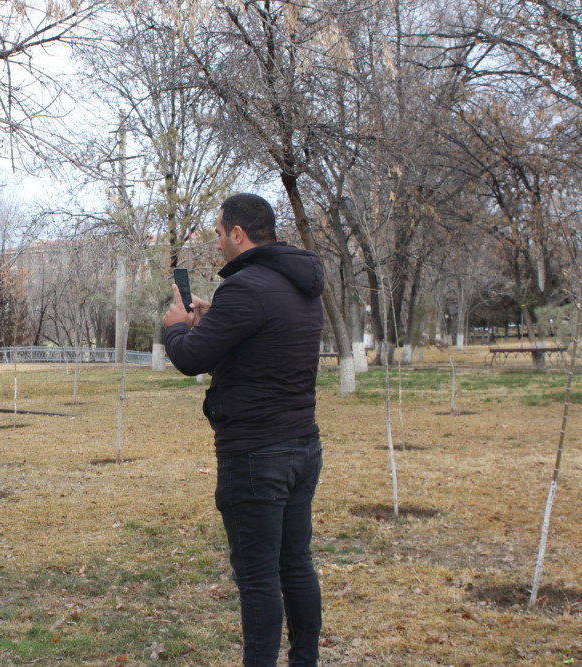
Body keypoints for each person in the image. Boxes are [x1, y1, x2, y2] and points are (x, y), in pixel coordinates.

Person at [162, 193, 324, 666]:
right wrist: (214, 318)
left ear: (238, 234)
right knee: (295, 565)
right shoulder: (299, 284)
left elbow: (191, 359)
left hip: (255, 454)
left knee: (257, 577)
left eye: (218, 233)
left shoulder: (247, 288)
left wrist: (176, 326)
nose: (216, 243)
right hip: (302, 447)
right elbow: (263, 341)